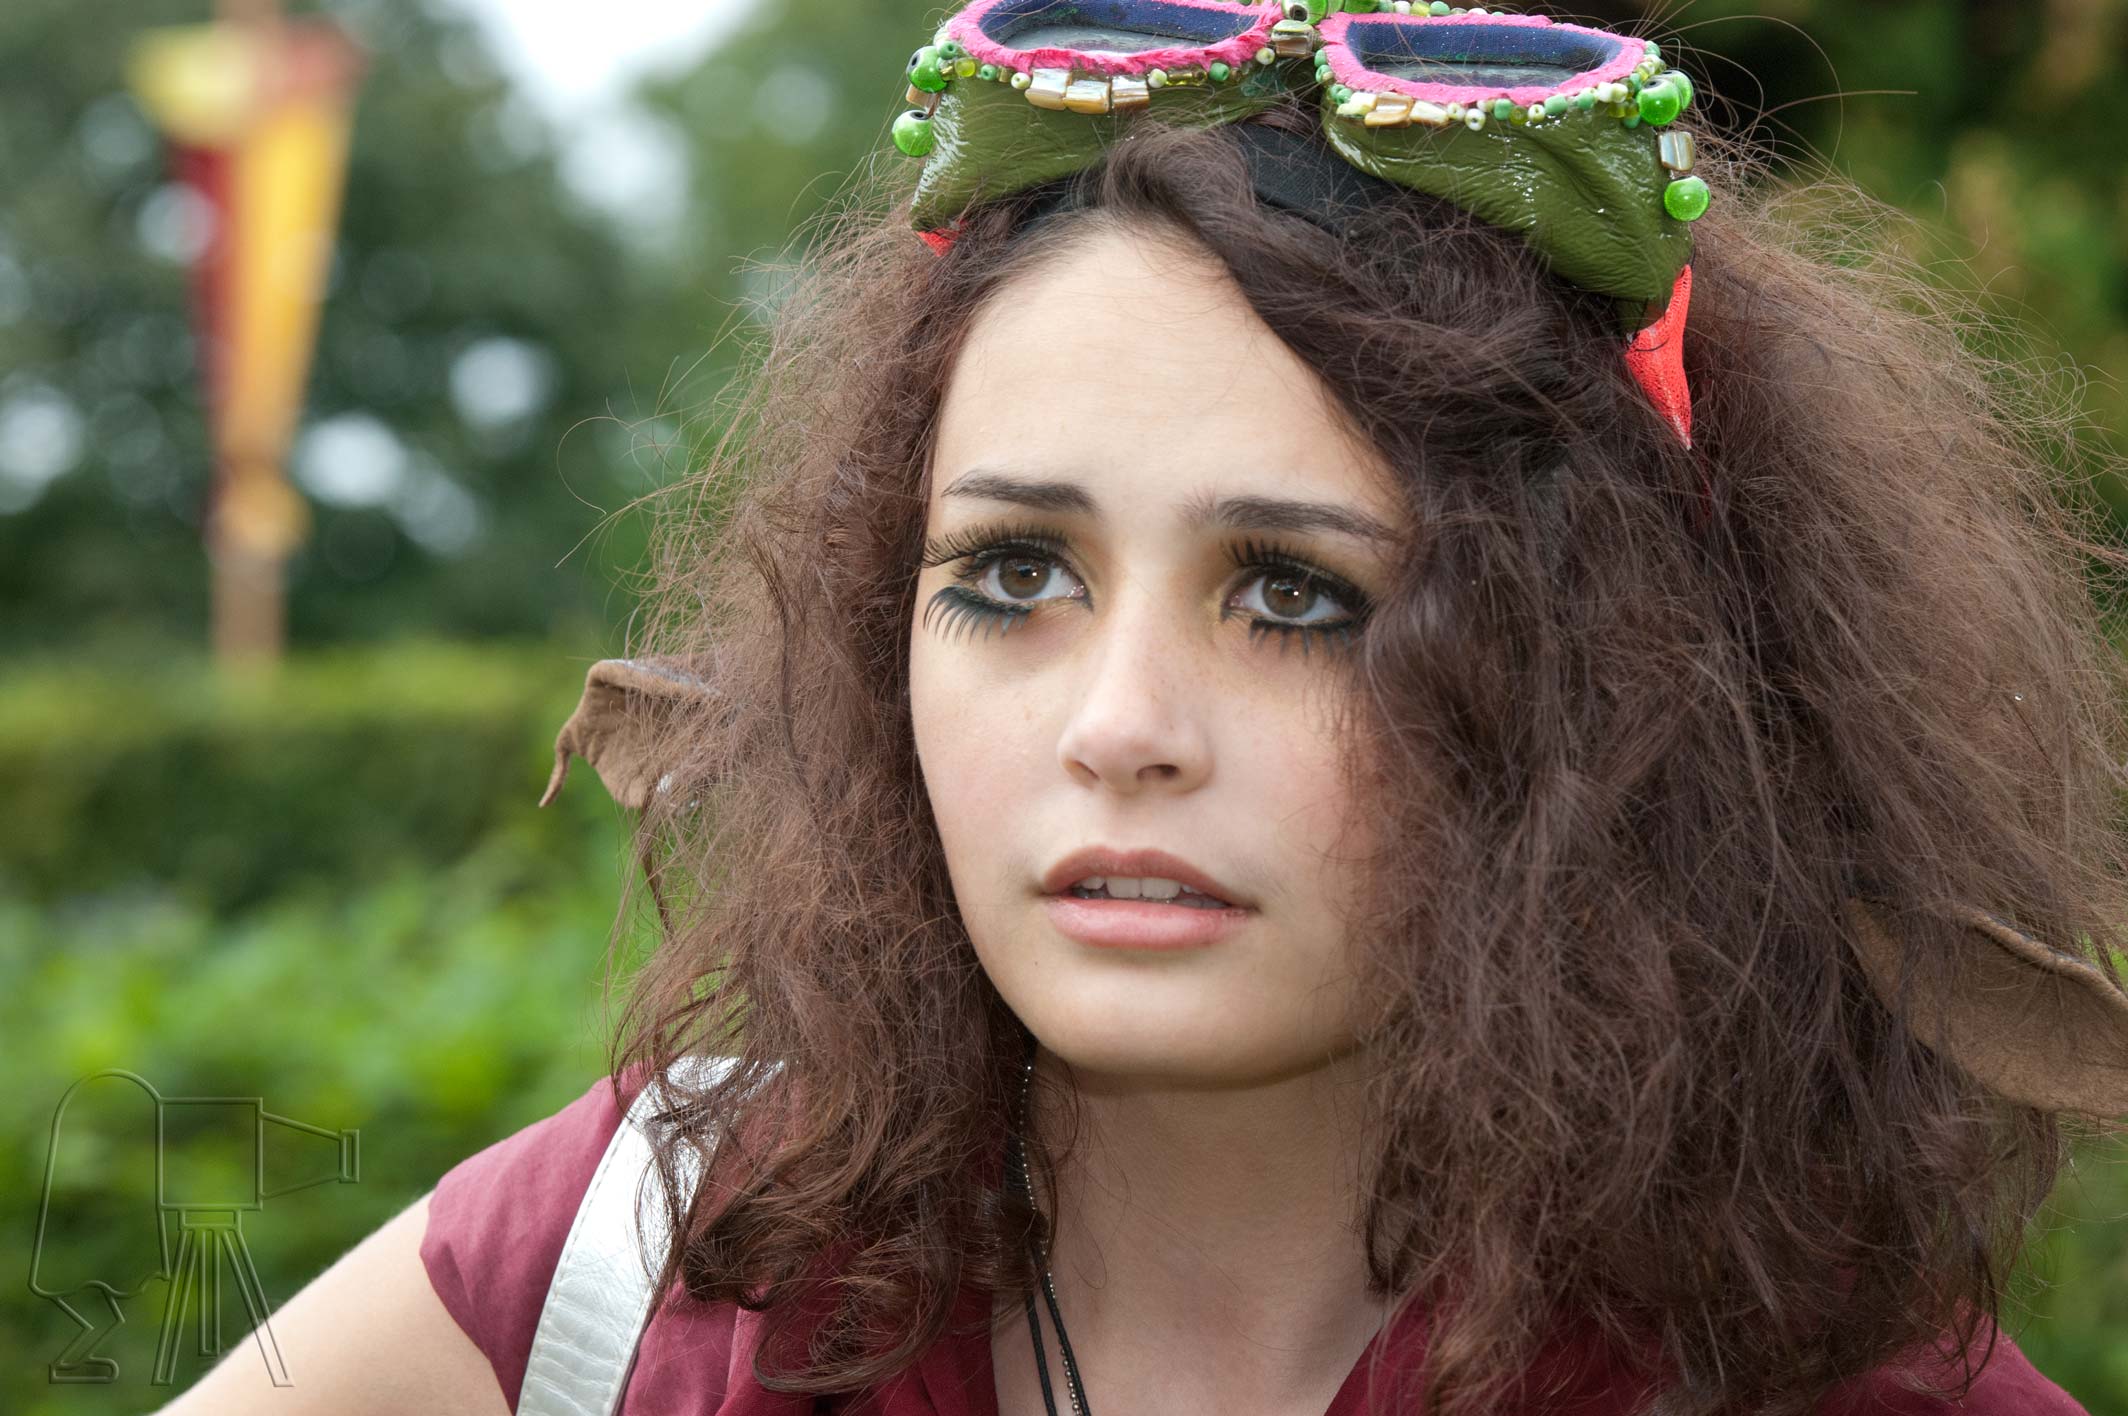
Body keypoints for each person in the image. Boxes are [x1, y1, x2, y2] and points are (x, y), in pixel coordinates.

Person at [160, 3, 2128, 1413]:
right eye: (1013, 576)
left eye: (1293, 595)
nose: (1116, 726)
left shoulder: (1823, 1378)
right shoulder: (627, 1262)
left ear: (1602, 694)